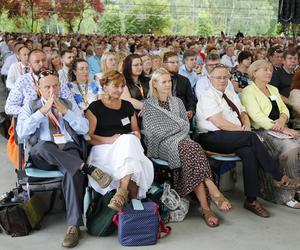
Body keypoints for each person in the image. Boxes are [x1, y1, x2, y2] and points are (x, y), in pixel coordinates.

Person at [16, 71, 112, 248]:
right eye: (47, 87)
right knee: (44, 146)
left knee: (72, 170)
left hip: (68, 149)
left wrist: (66, 112)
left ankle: (73, 227)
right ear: (39, 88)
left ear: (60, 86)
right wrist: (42, 112)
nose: (52, 90)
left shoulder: (68, 104)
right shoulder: (30, 106)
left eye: (55, 86)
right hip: (43, 153)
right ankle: (87, 168)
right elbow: (21, 133)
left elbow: (84, 129)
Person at [196, 64, 299, 217]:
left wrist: (246, 125)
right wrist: (244, 131)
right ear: (210, 78)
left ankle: (251, 199)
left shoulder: (229, 93)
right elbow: (219, 122)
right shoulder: (208, 96)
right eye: (218, 77)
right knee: (251, 137)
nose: (222, 80)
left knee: (249, 151)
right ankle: (278, 176)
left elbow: (243, 112)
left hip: (234, 135)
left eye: (225, 77)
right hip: (212, 137)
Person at [143, 68, 232, 227]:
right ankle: (213, 191)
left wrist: (177, 130)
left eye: (169, 81)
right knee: (193, 147)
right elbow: (153, 131)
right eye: (163, 82)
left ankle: (205, 208)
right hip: (162, 144)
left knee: (191, 149)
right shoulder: (149, 104)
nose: (168, 84)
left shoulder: (178, 102)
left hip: (183, 141)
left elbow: (185, 127)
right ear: (155, 84)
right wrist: (176, 129)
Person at [85, 70, 154, 211]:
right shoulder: (95, 107)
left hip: (127, 147)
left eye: (122, 86)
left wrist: (135, 135)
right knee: (129, 145)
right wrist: (110, 139)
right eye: (116, 86)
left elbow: (136, 131)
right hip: (103, 148)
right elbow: (89, 137)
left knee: (129, 139)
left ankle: (121, 193)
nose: (120, 90)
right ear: (105, 86)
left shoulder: (127, 106)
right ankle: (126, 194)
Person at [241, 60, 300, 208]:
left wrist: (283, 119)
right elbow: (257, 116)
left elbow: (284, 109)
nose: (269, 72)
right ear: (254, 73)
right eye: (265, 70)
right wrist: (282, 128)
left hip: (280, 127)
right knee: (290, 150)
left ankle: (297, 188)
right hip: (263, 131)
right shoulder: (248, 91)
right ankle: (286, 195)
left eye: (270, 70)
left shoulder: (273, 89)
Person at [5, 49, 75, 116]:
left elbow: (71, 103)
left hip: (58, 120)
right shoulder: (22, 81)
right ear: (29, 65)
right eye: (37, 62)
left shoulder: (56, 78)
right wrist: (36, 112)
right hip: (32, 123)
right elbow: (9, 107)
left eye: (44, 60)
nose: (41, 64)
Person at [163, 51, 196, 120]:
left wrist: (191, 110)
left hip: (183, 116)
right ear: (164, 64)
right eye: (172, 62)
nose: (176, 64)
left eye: (177, 62)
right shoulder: (159, 80)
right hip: (164, 116)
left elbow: (191, 99)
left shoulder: (184, 80)